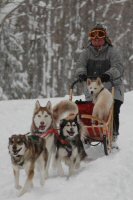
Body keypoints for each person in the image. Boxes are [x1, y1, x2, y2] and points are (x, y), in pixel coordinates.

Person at [75, 23, 124, 146]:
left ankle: (112, 135)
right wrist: (81, 73)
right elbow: (80, 65)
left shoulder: (112, 52)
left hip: (112, 87)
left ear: (105, 37)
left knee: (113, 109)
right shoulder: (86, 53)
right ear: (90, 38)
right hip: (93, 89)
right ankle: (88, 133)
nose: (96, 39)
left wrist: (108, 75)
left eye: (100, 36)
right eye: (94, 36)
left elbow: (118, 67)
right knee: (88, 110)